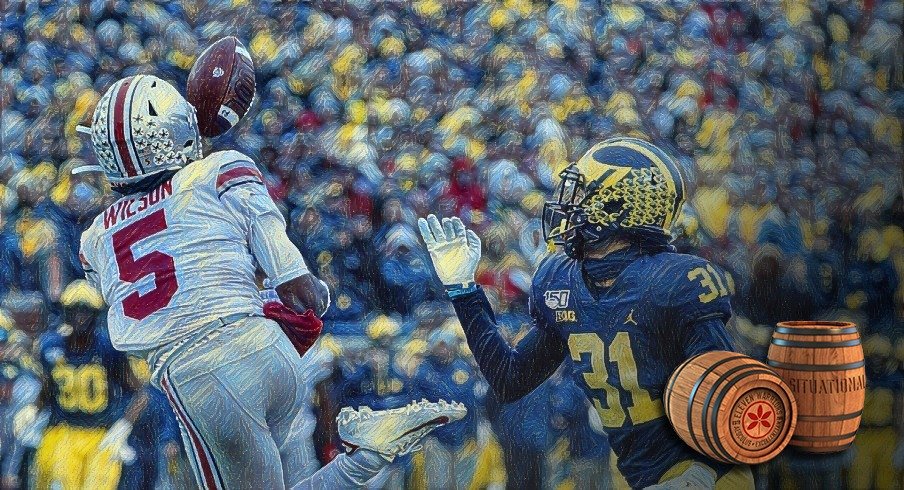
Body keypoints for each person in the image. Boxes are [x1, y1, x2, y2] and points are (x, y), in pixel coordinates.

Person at [75, 74, 465, 489]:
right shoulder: (220, 170)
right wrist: (314, 293)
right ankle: (366, 455)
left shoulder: (94, 239)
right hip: (274, 352)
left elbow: (152, 285)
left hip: (201, 374)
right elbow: (297, 287)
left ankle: (364, 459)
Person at [419, 137, 754, 489]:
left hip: (709, 474)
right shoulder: (563, 282)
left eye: (582, 195)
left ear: (618, 206)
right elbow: (509, 379)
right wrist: (463, 290)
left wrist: (702, 472)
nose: (568, 205)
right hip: (638, 474)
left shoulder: (674, 282)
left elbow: (728, 395)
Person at [34, 279, 148, 490]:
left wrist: (124, 425)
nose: (80, 318)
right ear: (66, 312)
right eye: (75, 311)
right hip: (64, 433)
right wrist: (33, 409)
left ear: (96, 315)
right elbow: (48, 386)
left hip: (100, 435)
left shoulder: (107, 348)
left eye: (86, 312)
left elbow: (141, 394)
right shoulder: (51, 346)